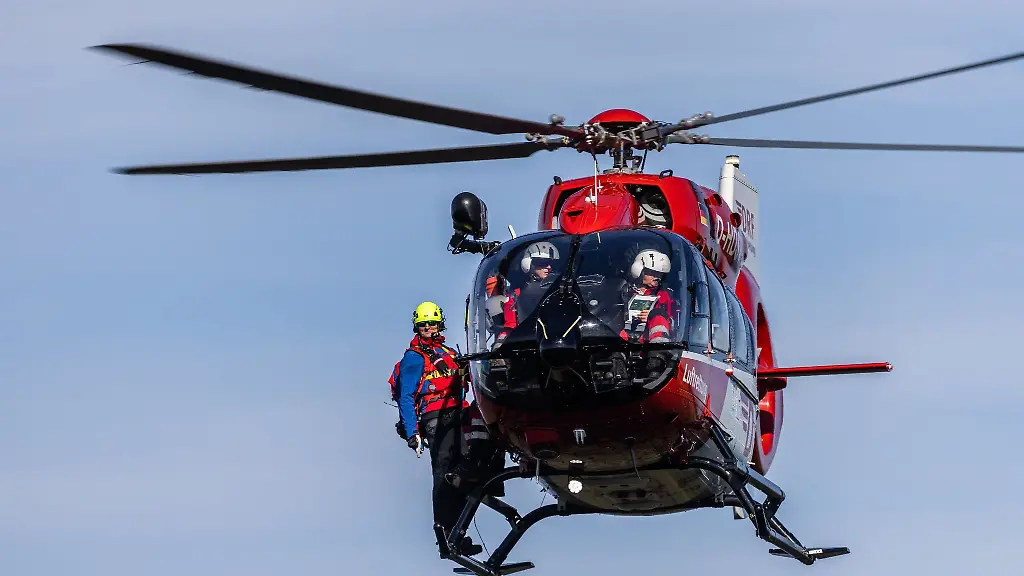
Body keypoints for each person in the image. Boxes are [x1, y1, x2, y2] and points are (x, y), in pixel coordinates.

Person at [390, 301, 484, 557]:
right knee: (443, 472)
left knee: (472, 469)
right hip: (437, 417)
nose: (428, 328)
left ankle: (459, 532)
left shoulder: (448, 352)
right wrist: (412, 432)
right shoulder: (414, 357)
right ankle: (446, 532)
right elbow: (405, 396)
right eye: (423, 325)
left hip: (459, 413)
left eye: (432, 323)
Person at [495, 241, 560, 344]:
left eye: (552, 264)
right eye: (542, 263)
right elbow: (509, 328)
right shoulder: (516, 294)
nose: (548, 267)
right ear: (528, 264)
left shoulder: (561, 288)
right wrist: (500, 345)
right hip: (531, 341)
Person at [620, 249, 674, 344]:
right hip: (623, 338)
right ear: (640, 271)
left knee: (658, 314)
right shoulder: (623, 290)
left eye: (660, 274)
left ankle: (659, 348)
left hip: (650, 342)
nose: (657, 277)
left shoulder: (664, 295)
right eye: (652, 273)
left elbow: (675, 321)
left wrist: (651, 317)